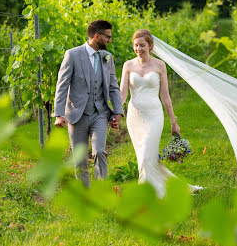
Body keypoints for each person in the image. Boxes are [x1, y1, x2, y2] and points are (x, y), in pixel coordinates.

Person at [120, 29, 202, 198]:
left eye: (142, 45)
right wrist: (116, 113)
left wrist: (173, 121)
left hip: (154, 116)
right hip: (135, 117)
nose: (138, 49)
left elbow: (165, 95)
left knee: (147, 154)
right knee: (142, 156)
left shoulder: (159, 65)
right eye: (135, 45)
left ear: (150, 46)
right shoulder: (128, 65)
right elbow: (122, 93)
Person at [53, 20, 123, 187]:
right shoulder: (72, 55)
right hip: (77, 114)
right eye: (108, 37)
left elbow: (113, 86)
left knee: (99, 151)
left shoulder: (108, 58)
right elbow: (62, 85)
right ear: (97, 36)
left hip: (100, 113)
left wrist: (118, 112)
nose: (110, 41)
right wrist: (59, 114)